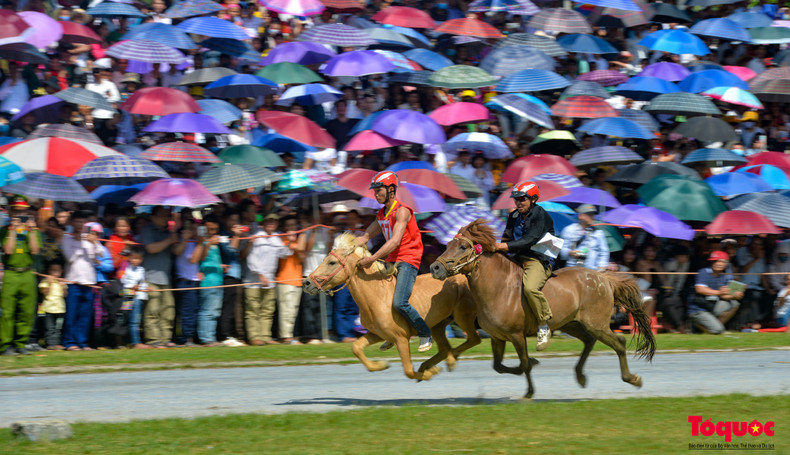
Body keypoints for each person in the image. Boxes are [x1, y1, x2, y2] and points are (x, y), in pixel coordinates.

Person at [356, 171, 432, 352]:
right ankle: (391, 333)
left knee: (399, 302)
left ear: (391, 189)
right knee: (379, 299)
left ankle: (425, 333)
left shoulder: (402, 211)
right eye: (374, 190)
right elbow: (366, 236)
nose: (375, 194)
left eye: (378, 190)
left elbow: (395, 241)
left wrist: (373, 258)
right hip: (391, 260)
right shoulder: (382, 214)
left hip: (408, 260)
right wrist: (353, 243)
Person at [494, 181, 556, 351]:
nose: (518, 202)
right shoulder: (513, 216)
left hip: (537, 260)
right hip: (516, 257)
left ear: (534, 199)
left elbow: (530, 240)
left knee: (529, 288)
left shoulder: (541, 215)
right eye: (516, 199)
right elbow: (506, 239)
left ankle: (543, 326)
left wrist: (502, 247)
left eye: (522, 199)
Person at [242, 214, 293, 345]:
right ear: (264, 223)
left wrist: (290, 241)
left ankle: (265, 336)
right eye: (269, 221)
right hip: (253, 280)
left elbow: (285, 254)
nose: (271, 224)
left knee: (267, 310)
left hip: (270, 280)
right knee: (253, 310)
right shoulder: (257, 236)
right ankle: (254, 337)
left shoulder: (276, 237)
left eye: (274, 221)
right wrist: (260, 274)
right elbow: (250, 258)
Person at [0, 197, 41, 356]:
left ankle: (21, 343)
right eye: (16, 211)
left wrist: (31, 230)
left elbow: (35, 250)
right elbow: (8, 250)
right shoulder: (4, 230)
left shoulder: (32, 231)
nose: (20, 214)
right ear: (10, 212)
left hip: (27, 273)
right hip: (11, 273)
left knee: (26, 310)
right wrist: (12, 230)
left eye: (23, 211)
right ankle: (5, 344)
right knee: (8, 311)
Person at [61, 211, 103, 351]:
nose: (80, 225)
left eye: (82, 222)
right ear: (71, 223)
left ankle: (82, 342)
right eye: (77, 222)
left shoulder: (89, 239)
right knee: (72, 314)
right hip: (74, 282)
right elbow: (70, 258)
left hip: (89, 281)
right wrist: (79, 243)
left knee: (85, 315)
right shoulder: (67, 238)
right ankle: (70, 342)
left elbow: (101, 254)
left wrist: (94, 243)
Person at [688, 251, 743, 335]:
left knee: (734, 303)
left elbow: (724, 296)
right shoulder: (704, 272)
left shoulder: (725, 276)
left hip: (712, 306)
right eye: (715, 261)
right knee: (717, 331)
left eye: (721, 261)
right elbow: (699, 289)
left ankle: (714, 326)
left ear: (726, 264)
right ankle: (697, 325)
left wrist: (735, 296)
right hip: (698, 309)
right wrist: (719, 292)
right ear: (711, 262)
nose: (718, 264)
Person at [559, 204, 609, 271]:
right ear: (581, 216)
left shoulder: (598, 233)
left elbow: (604, 252)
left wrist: (601, 267)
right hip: (572, 271)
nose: (593, 217)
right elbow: (561, 249)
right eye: (590, 215)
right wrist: (570, 252)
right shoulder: (569, 230)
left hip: (592, 272)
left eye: (593, 215)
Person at [119, 246, 147, 349]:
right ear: (129, 258)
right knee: (127, 319)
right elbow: (122, 280)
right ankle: (134, 342)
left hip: (139, 297)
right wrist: (132, 286)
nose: (136, 260)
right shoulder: (126, 268)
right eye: (134, 258)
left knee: (136, 320)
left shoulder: (141, 270)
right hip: (128, 296)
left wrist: (146, 288)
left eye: (138, 258)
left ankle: (135, 341)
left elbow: (142, 282)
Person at [39, 263, 67, 350]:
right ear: (49, 271)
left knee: (58, 327)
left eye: (57, 271)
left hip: (60, 309)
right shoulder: (45, 281)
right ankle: (50, 344)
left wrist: (63, 287)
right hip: (49, 309)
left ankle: (57, 343)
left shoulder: (61, 282)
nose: (55, 273)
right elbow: (45, 293)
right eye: (53, 271)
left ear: (61, 272)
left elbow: (65, 295)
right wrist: (49, 283)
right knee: (50, 328)